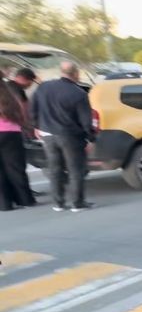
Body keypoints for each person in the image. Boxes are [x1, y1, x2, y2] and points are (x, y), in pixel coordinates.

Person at [29, 61, 95, 212]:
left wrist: (35, 126)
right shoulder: (79, 93)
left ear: (61, 72)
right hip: (70, 136)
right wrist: (90, 138)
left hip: (47, 134)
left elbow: (33, 107)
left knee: (55, 169)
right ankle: (77, 203)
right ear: (75, 73)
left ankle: (58, 203)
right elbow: (86, 120)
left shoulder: (43, 87)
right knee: (75, 169)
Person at [0, 80, 35, 211]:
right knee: (16, 168)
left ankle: (4, 204)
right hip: (11, 133)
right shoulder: (9, 94)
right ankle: (25, 199)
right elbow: (21, 112)